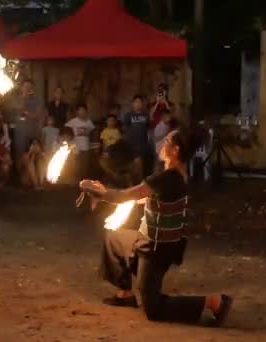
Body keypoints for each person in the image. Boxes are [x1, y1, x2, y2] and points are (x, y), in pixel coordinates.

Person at [79, 129, 233, 326]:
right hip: (153, 242)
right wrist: (105, 192)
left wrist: (98, 191)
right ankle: (125, 293)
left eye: (167, 140)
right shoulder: (178, 175)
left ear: (175, 150)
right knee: (115, 240)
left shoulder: (167, 178)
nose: (162, 142)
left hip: (155, 250)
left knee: (153, 308)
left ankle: (214, 302)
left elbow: (124, 196)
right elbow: (142, 198)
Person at [65, 104, 95, 180]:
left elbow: (92, 130)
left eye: (83, 110)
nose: (82, 112)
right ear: (77, 112)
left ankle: (84, 180)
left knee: (85, 164)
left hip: (86, 145)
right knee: (76, 163)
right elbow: (66, 128)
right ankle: (76, 179)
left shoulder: (88, 121)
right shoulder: (73, 121)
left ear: (86, 111)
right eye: (80, 110)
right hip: (76, 146)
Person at [123, 95, 150, 178]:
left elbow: (148, 127)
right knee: (132, 165)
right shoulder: (128, 115)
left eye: (140, 102)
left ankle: (140, 183)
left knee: (141, 165)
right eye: (136, 102)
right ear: (133, 104)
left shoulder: (146, 115)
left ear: (142, 104)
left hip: (142, 144)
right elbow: (125, 128)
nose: (138, 104)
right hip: (131, 143)